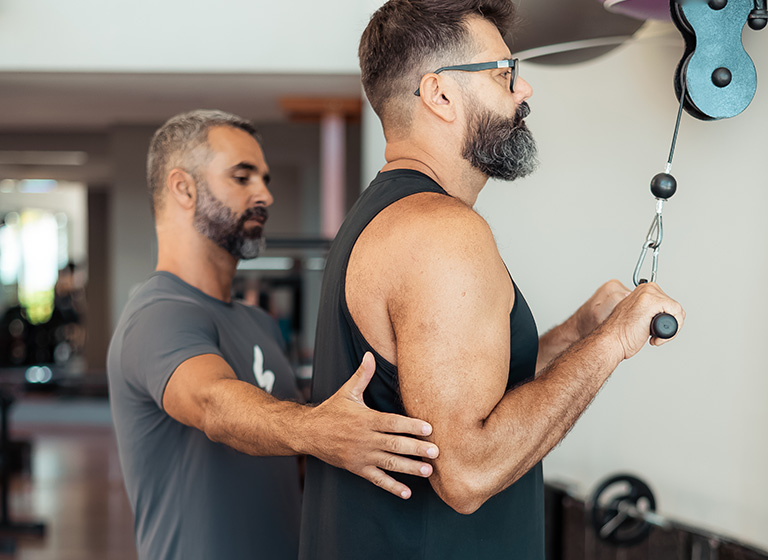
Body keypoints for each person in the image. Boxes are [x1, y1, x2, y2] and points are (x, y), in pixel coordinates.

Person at [299, 1, 685, 558]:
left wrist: (578, 332)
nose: (523, 90)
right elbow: (467, 474)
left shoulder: (388, 216)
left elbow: (475, 400)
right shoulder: (441, 232)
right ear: (440, 94)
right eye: (504, 74)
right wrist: (610, 345)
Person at [106, 109, 440, 560]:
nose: (265, 194)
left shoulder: (256, 322)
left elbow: (287, 458)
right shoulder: (158, 315)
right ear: (183, 188)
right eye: (242, 178)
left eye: (264, 179)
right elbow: (214, 404)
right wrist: (318, 429)